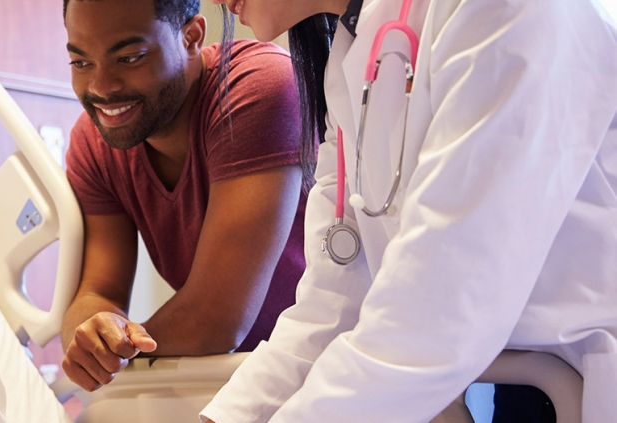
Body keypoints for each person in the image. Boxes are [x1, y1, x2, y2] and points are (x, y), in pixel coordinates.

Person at [199, 0, 617, 421]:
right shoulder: (351, 62)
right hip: (532, 385)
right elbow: (333, 307)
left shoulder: (509, 10)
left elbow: (440, 310)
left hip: (578, 382)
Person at [59, 0, 307, 391]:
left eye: (129, 58)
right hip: (233, 381)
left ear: (191, 37)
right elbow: (97, 292)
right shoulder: (93, 143)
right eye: (81, 63)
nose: (101, 87)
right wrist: (92, 338)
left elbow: (216, 319)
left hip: (335, 365)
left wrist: (121, 349)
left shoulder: (257, 87)